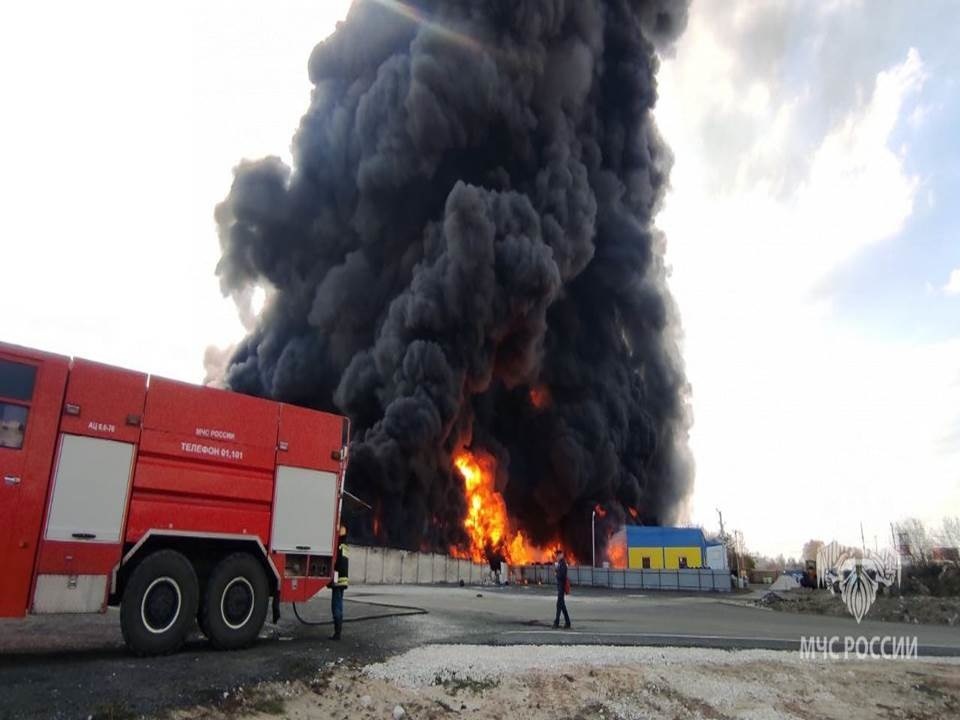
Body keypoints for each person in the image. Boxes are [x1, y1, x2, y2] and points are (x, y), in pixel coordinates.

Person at [330, 524, 349, 640]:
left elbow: (336, 564)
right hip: (343, 580)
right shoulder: (345, 546)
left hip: (338, 580)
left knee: (336, 606)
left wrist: (333, 580)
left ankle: (337, 634)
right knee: (339, 605)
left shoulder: (339, 546)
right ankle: (338, 632)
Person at [552, 549, 571, 629]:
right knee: (562, 606)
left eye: (557, 555)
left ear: (561, 555)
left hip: (561, 588)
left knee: (559, 606)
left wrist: (556, 574)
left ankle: (556, 622)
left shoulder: (563, 564)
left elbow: (562, 576)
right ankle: (567, 622)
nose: (556, 557)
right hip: (560, 587)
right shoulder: (560, 563)